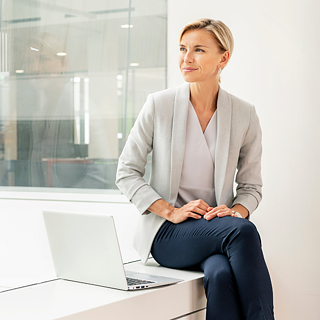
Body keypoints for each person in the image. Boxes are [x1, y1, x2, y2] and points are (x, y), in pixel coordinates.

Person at [116, 18, 274, 320]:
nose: (186, 59)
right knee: (243, 233)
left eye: (198, 50)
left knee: (220, 274)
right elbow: (126, 172)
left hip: (219, 230)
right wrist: (169, 210)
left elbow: (251, 187)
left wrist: (235, 211)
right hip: (168, 234)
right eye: (182, 49)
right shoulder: (158, 105)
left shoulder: (244, 114)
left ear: (223, 58)